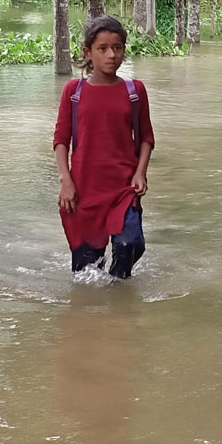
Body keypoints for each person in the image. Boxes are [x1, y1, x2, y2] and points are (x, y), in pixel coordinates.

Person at [53, 16, 155, 279]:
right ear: (88, 52)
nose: (112, 55)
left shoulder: (135, 91)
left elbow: (146, 137)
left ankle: (119, 304)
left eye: (118, 47)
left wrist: (140, 173)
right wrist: (66, 180)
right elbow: (61, 140)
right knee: (87, 272)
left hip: (123, 188)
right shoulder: (73, 92)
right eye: (103, 48)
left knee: (129, 245)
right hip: (84, 190)